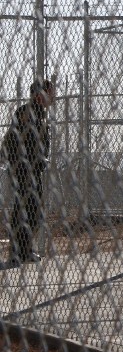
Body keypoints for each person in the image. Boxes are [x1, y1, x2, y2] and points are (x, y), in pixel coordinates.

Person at [2, 78, 55, 264]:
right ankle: (19, 253)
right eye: (50, 92)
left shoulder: (38, 113)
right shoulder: (28, 112)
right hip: (24, 170)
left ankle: (23, 251)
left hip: (30, 170)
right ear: (39, 95)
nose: (53, 96)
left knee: (31, 211)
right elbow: (17, 141)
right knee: (26, 210)